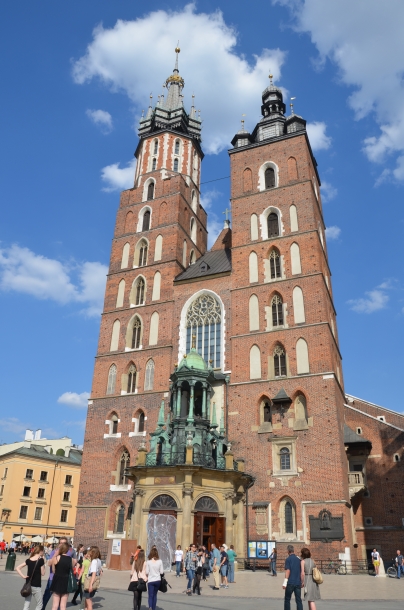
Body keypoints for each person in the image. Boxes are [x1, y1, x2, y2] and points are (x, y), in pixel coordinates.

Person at [42, 536, 70, 610]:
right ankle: (42, 608)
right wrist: (55, 555)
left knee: (60, 600)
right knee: (47, 595)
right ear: (58, 544)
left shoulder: (68, 553)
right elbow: (49, 564)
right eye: (61, 543)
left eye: (64, 543)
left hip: (63, 579)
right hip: (53, 577)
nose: (62, 545)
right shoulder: (54, 552)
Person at [16, 544, 46, 610]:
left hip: (28, 584)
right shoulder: (41, 560)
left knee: (27, 603)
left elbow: (18, 568)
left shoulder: (29, 560)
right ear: (40, 551)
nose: (43, 552)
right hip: (36, 585)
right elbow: (43, 573)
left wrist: (23, 576)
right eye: (43, 551)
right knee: (39, 604)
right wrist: (44, 563)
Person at [50, 541, 77, 610]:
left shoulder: (56, 558)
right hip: (66, 580)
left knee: (55, 605)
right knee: (63, 606)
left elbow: (53, 570)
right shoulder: (71, 559)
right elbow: (71, 569)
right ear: (67, 550)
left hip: (57, 580)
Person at [283, 544, 303, 610]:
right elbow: (302, 572)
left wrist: (285, 582)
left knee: (287, 599)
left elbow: (288, 571)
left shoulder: (288, 559)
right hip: (298, 582)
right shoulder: (299, 559)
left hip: (290, 582)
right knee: (298, 600)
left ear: (288, 551)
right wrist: (302, 581)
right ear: (293, 550)